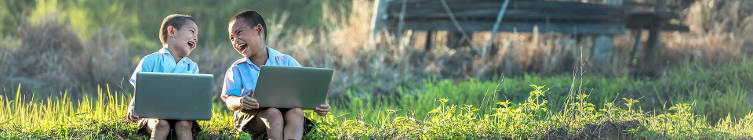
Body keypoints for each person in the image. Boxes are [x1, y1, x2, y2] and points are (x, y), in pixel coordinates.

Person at [221, 10, 330, 139]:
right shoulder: (237, 68)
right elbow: (229, 100)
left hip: (286, 114)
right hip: (251, 117)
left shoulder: (286, 61)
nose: (235, 41)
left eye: (239, 33)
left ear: (259, 30)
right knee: (273, 113)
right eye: (232, 38)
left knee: (296, 112)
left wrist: (318, 104)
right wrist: (241, 101)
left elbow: (305, 92)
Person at [125, 14, 201, 140]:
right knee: (162, 124)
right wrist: (132, 108)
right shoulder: (150, 60)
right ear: (172, 31)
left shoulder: (192, 67)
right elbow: (140, 91)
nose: (195, 37)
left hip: (182, 117)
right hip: (153, 116)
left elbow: (193, 97)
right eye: (192, 31)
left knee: (183, 125)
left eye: (197, 35)